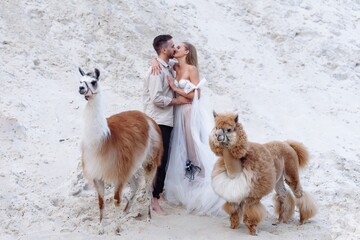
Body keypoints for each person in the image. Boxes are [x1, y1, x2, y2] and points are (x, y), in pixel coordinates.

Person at [151, 42, 224, 216]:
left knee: (192, 147)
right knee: (178, 148)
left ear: (187, 51)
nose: (175, 49)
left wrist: (176, 88)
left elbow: (197, 94)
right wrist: (154, 61)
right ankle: (177, 184)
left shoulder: (192, 69)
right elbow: (160, 58)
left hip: (189, 112)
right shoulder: (173, 66)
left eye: (178, 47)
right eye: (173, 46)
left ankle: (199, 181)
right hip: (176, 112)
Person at [143, 35, 190, 215]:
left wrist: (154, 58)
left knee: (164, 160)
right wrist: (177, 101)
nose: (174, 49)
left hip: (166, 120)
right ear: (164, 50)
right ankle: (154, 200)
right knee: (160, 161)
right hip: (159, 121)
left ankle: (158, 193)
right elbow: (156, 99)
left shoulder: (165, 66)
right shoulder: (157, 72)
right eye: (171, 46)